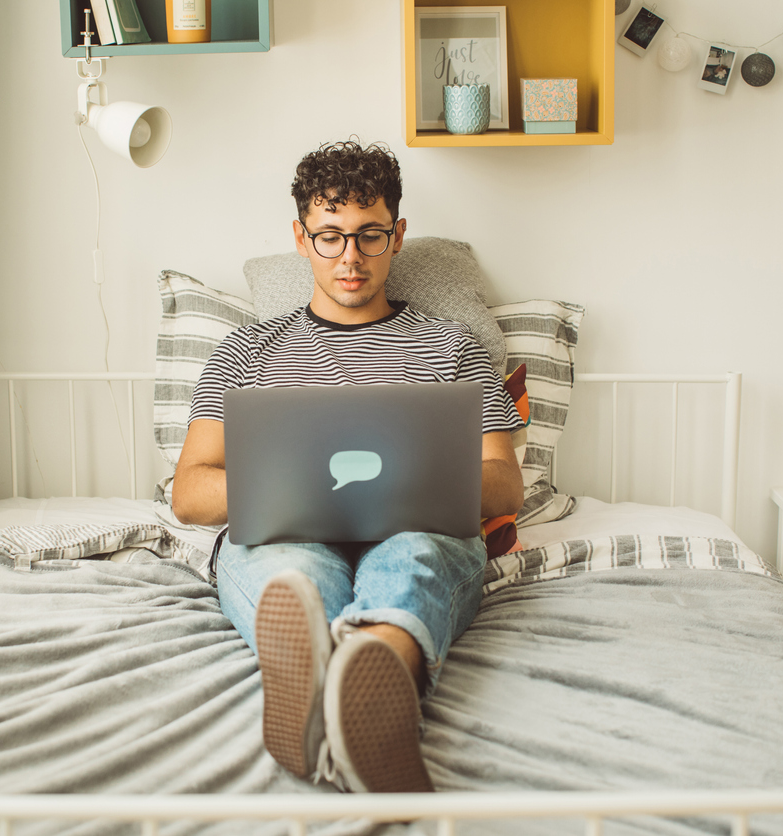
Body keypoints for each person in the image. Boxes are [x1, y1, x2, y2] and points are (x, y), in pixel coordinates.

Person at [171, 139, 525, 793]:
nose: (351, 258)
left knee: (418, 553)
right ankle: (338, 684)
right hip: (285, 532)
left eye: (369, 235)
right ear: (301, 239)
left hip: (419, 527)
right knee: (292, 575)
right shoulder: (247, 351)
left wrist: (418, 481)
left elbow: (505, 482)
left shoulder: (453, 348)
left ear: (398, 235)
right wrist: (297, 488)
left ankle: (372, 672)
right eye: (330, 237)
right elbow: (190, 493)